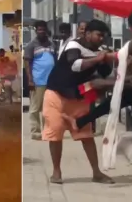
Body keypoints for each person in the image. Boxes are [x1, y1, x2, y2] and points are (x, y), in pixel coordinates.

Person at [62, 12, 132, 177]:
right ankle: (80, 121)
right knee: (113, 104)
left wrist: (100, 56)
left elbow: (120, 55)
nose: (129, 29)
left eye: (130, 26)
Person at [42, 19, 114, 184]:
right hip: (56, 95)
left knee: (86, 135)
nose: (101, 39)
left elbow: (103, 72)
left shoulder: (101, 51)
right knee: (55, 134)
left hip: (79, 97)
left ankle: (96, 173)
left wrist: (108, 60)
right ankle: (56, 172)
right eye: (99, 35)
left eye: (104, 36)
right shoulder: (73, 46)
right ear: (88, 34)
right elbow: (75, 65)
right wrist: (97, 59)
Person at [24, 20, 55, 140]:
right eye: (39, 29)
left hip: (51, 81)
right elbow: (27, 64)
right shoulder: (31, 45)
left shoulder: (51, 44)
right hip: (38, 81)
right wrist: (30, 80)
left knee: (48, 108)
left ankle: (47, 130)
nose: (41, 31)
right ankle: (35, 131)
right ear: (36, 31)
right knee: (35, 108)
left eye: (43, 29)